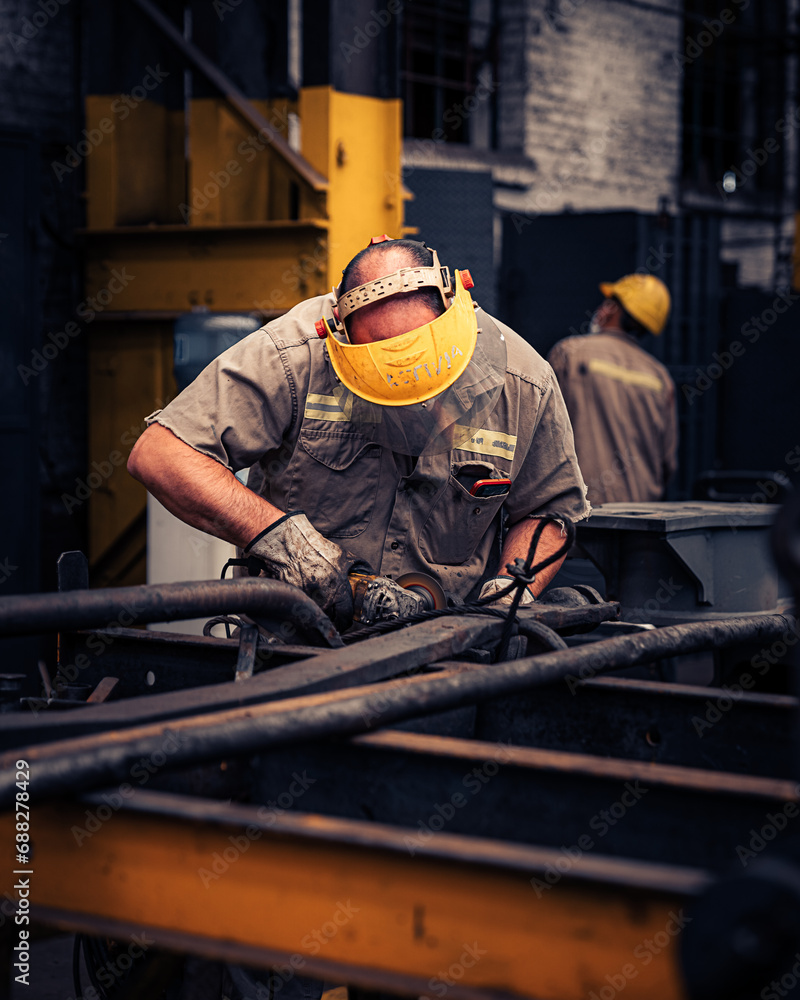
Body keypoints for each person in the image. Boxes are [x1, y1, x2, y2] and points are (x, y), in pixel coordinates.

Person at [128, 236, 590, 627]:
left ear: (454, 312)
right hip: (293, 642)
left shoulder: (524, 383)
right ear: (341, 335)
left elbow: (549, 509)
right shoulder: (296, 354)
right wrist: (285, 542)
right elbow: (162, 455)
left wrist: (509, 592)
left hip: (451, 648)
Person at [547, 273, 678, 506]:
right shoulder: (660, 377)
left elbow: (542, 435)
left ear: (611, 308)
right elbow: (668, 463)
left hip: (580, 512)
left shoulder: (570, 353)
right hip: (643, 514)